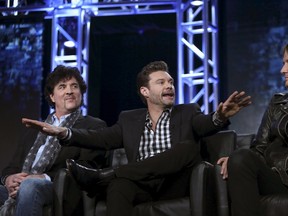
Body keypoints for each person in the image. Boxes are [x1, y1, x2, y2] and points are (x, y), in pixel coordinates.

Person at [22, 60, 252, 216]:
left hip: (177, 182)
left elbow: (206, 125)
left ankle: (106, 176)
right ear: (145, 91)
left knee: (185, 150)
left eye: (170, 82)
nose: (169, 85)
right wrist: (65, 132)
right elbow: (100, 138)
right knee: (119, 187)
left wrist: (220, 116)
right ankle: (113, 178)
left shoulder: (188, 111)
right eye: (161, 82)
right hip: (142, 183)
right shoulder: (129, 119)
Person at [0, 65, 109, 216]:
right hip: (23, 186)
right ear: (52, 96)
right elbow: (11, 167)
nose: (69, 91)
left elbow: (88, 166)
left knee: (30, 186)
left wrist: (42, 177)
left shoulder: (93, 126)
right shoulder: (34, 130)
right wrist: (9, 179)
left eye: (74, 86)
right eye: (62, 87)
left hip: (61, 188)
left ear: (81, 93)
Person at [217, 44, 288, 216]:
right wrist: (236, 161)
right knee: (240, 157)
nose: (282, 70)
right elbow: (260, 146)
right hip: (277, 177)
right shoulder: (278, 103)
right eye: (283, 63)